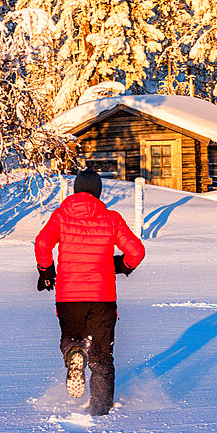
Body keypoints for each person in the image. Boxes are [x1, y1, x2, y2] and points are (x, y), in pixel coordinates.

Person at [34, 169, 145, 415]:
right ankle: (100, 411)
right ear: (98, 192)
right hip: (102, 298)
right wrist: (121, 265)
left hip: (68, 297)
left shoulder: (61, 215)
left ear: (75, 190)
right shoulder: (110, 218)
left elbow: (42, 243)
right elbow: (136, 251)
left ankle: (74, 352)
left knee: (71, 339)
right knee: (102, 360)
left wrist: (46, 270)